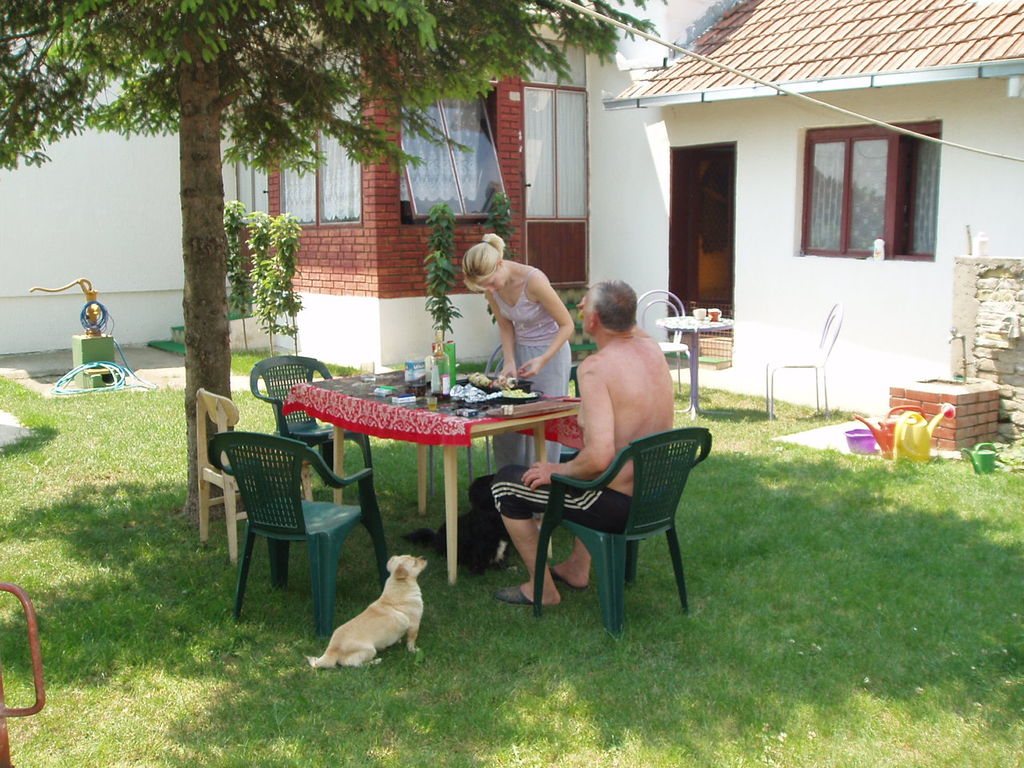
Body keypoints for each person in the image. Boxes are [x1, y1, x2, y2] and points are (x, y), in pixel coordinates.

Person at [489, 280, 675, 606]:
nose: (578, 307)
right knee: (587, 463)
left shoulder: (596, 369)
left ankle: (542, 589)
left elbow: (599, 457)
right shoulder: (652, 349)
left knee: (505, 484)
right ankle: (576, 567)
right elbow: (624, 319)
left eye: (584, 304)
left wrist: (555, 470)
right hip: (657, 495)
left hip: (617, 505)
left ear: (593, 320)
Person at [463, 233, 574, 465]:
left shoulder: (534, 281)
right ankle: (509, 478)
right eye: (485, 286)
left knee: (543, 422)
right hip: (520, 350)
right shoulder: (491, 289)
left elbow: (567, 325)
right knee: (508, 418)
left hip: (550, 354)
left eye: (491, 282)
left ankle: (542, 479)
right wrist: (510, 360)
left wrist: (543, 359)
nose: (490, 289)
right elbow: (505, 326)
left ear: (500, 263)